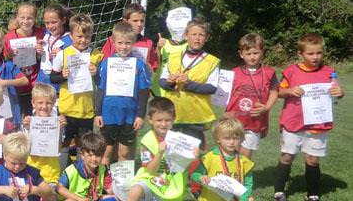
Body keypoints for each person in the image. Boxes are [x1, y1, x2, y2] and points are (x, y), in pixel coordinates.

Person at [274, 33, 344, 201]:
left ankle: (312, 195)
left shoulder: (328, 72)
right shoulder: (291, 71)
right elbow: (279, 92)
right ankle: (279, 191)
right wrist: (290, 91)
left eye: (319, 53)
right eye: (310, 54)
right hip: (293, 123)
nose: (315, 57)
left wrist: (339, 93)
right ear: (300, 54)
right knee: (287, 156)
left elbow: (336, 92)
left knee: (313, 160)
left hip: (317, 124)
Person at [118, 97, 191, 201]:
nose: (163, 124)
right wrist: (159, 153)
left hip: (169, 183)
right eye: (159, 120)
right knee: (134, 191)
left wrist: (192, 156)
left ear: (174, 119)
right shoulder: (147, 140)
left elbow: (186, 166)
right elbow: (150, 169)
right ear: (150, 120)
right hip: (150, 177)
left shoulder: (181, 140)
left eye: (167, 120)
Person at [193, 116, 256, 201]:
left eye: (236, 138)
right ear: (218, 139)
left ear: (241, 139)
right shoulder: (209, 157)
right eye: (227, 138)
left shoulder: (244, 162)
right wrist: (201, 177)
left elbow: (248, 184)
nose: (232, 142)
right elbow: (194, 175)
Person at [95, 22, 151, 164]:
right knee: (106, 152)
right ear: (113, 42)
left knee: (124, 153)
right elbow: (100, 89)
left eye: (128, 43)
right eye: (120, 43)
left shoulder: (139, 65)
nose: (124, 46)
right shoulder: (106, 63)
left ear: (133, 43)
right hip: (108, 114)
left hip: (129, 116)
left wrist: (140, 115)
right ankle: (103, 184)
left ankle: (122, 185)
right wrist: (98, 113)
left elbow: (144, 92)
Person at [49, 13, 102, 166]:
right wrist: (63, 76)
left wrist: (95, 72)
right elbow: (53, 78)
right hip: (67, 108)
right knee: (64, 142)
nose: (83, 40)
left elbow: (102, 81)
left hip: (86, 110)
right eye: (79, 36)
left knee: (84, 144)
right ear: (71, 35)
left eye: (87, 36)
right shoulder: (63, 54)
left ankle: (82, 172)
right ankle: (62, 172)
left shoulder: (95, 55)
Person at [159, 18, 219, 149]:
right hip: (172, 112)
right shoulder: (174, 56)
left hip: (195, 115)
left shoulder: (211, 61)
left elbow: (211, 88)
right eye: (194, 34)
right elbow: (161, 81)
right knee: (168, 150)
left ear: (207, 37)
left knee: (192, 155)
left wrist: (188, 84)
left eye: (201, 35)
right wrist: (169, 82)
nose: (197, 38)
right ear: (186, 36)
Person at [226, 33, 279, 158]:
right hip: (234, 120)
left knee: (245, 155)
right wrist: (226, 113)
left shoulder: (269, 73)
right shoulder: (233, 72)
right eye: (248, 54)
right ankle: (230, 177)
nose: (252, 57)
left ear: (262, 52)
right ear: (241, 54)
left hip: (254, 122)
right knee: (230, 153)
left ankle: (243, 177)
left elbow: (274, 91)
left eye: (255, 53)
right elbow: (223, 95)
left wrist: (266, 107)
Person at [57, 132, 122, 201]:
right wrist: (80, 199)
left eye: (98, 155)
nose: (94, 159)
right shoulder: (72, 169)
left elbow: (109, 190)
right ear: (82, 155)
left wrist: (120, 183)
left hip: (96, 200)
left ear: (102, 156)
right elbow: (60, 188)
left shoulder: (103, 169)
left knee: (119, 199)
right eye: (90, 155)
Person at [3, 2, 45, 115]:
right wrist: (10, 55)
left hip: (36, 84)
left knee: (33, 118)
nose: (25, 21)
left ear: (35, 18)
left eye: (29, 18)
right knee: (16, 119)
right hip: (16, 85)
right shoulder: (8, 38)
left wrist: (42, 51)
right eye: (22, 18)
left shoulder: (42, 33)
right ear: (17, 17)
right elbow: (5, 60)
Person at [22, 83, 66, 185]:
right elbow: (23, 150)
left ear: (54, 103)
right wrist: (27, 129)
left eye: (49, 103)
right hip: (30, 171)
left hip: (51, 173)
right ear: (33, 103)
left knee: (49, 198)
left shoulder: (57, 122)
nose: (44, 106)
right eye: (40, 103)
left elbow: (59, 148)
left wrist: (60, 129)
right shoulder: (28, 122)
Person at [100, 3, 158, 70]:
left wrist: (148, 68)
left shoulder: (148, 43)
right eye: (135, 21)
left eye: (142, 21)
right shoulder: (113, 40)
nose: (139, 24)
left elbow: (153, 69)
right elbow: (103, 63)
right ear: (125, 21)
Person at [37, 3, 72, 89]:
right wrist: (37, 49)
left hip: (59, 85)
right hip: (42, 79)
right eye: (47, 23)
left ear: (63, 20)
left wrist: (63, 54)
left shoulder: (70, 39)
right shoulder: (45, 34)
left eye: (54, 22)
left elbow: (77, 60)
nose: (50, 26)